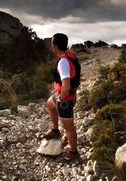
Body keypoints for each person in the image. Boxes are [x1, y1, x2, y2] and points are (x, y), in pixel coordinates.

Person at [42, 33, 81, 161]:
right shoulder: (70, 55)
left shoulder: (63, 62)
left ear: (56, 46)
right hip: (64, 95)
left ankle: (74, 152)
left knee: (69, 128)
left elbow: (66, 85)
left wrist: (62, 99)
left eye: (52, 44)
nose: (51, 46)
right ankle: (55, 130)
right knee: (49, 103)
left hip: (66, 99)